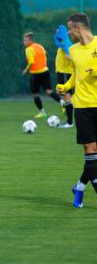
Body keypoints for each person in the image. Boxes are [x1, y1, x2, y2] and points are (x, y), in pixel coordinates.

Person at [56, 12, 97, 208]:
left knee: (95, 156)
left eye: (70, 30)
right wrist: (65, 87)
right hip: (82, 106)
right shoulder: (73, 50)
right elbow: (76, 75)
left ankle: (80, 186)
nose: (69, 34)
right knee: (90, 150)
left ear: (78, 28)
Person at [22, 32, 62, 118]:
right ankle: (63, 103)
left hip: (35, 74)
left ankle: (42, 113)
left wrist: (26, 69)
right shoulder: (39, 46)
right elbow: (45, 55)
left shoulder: (28, 49)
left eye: (25, 40)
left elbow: (31, 62)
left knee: (35, 94)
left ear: (30, 40)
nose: (23, 41)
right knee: (48, 91)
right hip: (45, 72)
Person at [54, 25, 74, 128]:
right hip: (62, 73)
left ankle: (69, 123)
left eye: (58, 32)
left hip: (65, 73)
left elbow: (69, 57)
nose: (56, 34)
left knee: (67, 97)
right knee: (66, 96)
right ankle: (69, 121)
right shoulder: (62, 43)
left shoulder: (66, 43)